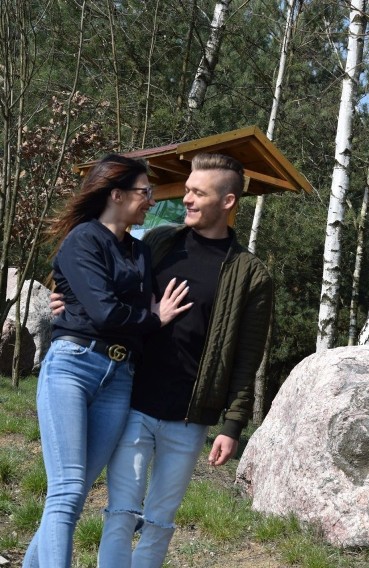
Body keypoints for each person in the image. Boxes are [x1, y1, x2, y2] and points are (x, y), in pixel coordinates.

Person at [92, 152, 274, 567]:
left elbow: (248, 357)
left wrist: (233, 424)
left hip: (189, 418)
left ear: (227, 201)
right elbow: (111, 292)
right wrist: (69, 299)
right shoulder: (158, 243)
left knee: (159, 521)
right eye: (187, 190)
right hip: (133, 399)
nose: (186, 199)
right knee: (120, 512)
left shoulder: (251, 274)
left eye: (197, 192)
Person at [24, 154, 191, 568]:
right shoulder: (83, 238)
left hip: (119, 378)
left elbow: (113, 308)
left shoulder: (139, 250)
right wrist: (153, 318)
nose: (150, 200)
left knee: (73, 494)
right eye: (143, 192)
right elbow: (106, 313)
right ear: (116, 194)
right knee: (66, 489)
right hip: (74, 366)